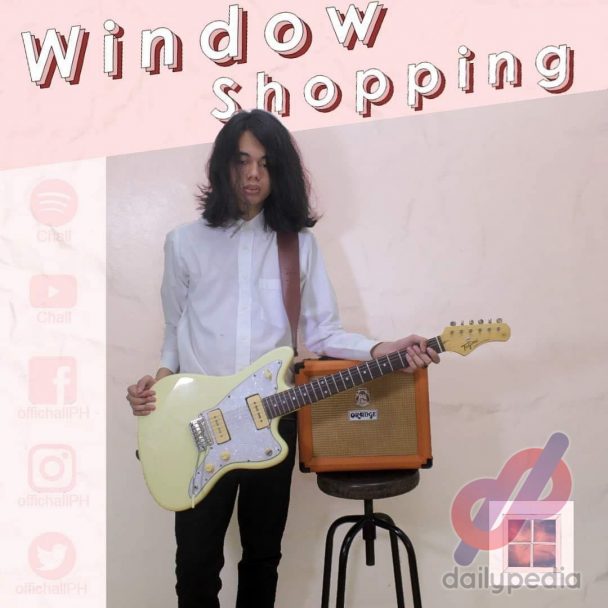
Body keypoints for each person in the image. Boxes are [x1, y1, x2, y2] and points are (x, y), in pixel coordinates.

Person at [126, 109, 439, 608]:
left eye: (266, 164)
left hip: (272, 419)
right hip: (199, 421)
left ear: (281, 172)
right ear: (223, 166)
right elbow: (173, 334)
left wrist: (382, 349)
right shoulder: (183, 243)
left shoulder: (299, 246)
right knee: (196, 565)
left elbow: (322, 331)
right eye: (242, 161)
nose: (253, 174)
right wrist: (156, 389)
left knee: (262, 557)